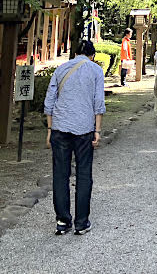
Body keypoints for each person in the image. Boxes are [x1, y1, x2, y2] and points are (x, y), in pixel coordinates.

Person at [44, 39, 105, 236]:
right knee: (84, 173)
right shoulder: (95, 70)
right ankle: (81, 222)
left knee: (60, 174)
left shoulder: (61, 69)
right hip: (84, 128)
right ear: (92, 55)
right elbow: (98, 102)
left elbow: (49, 101)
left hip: (60, 127)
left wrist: (49, 129)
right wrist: (97, 130)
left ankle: (62, 221)